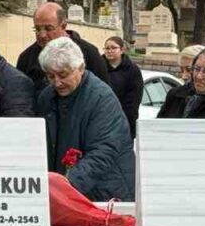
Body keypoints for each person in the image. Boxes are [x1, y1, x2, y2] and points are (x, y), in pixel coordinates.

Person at [35, 37, 134, 202]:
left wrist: (65, 183)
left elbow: (104, 151)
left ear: (80, 68)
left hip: (106, 193)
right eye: (51, 76)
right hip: (66, 192)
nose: (57, 83)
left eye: (63, 75)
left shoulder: (102, 98)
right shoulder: (47, 97)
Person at [16, 2, 110, 91]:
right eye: (37, 29)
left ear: (63, 25)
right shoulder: (26, 58)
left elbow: (103, 91)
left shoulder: (89, 53)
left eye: (48, 28)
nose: (42, 34)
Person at [103, 36, 143, 134]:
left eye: (113, 48)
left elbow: (134, 99)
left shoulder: (132, 70)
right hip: (102, 120)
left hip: (124, 121)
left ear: (121, 50)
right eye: (107, 48)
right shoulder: (99, 67)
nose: (110, 51)